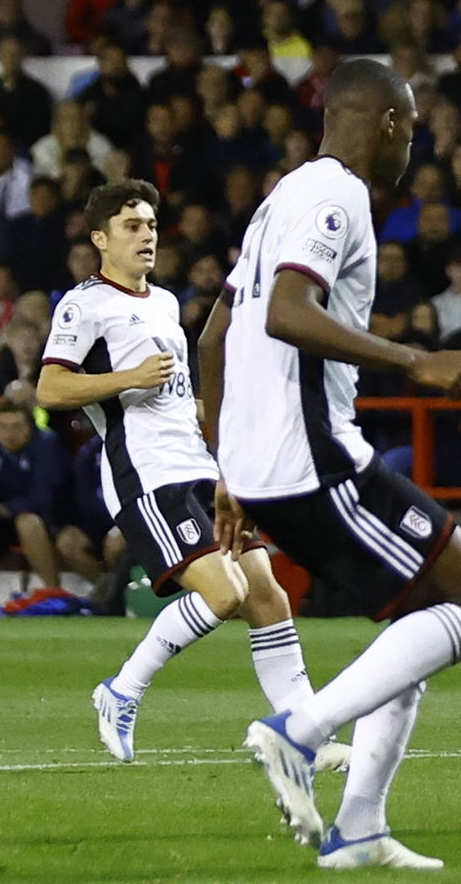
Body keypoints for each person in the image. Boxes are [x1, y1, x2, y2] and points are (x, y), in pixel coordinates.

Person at [199, 59, 461, 870]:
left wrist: (229, 467)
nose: (413, 147)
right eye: (413, 130)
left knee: (419, 617)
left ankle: (361, 827)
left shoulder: (279, 200)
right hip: (314, 459)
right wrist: (413, 359)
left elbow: (216, 336)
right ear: (390, 123)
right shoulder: (335, 196)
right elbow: (287, 312)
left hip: (270, 466)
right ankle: (298, 730)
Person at [36, 180, 340, 766]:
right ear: (100, 239)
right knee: (225, 594)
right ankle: (123, 689)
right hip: (148, 473)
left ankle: (305, 735)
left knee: (268, 596)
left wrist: (223, 416)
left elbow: (172, 395)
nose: (146, 236)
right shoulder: (84, 304)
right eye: (131, 226)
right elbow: (51, 388)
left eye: (151, 225)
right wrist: (128, 378)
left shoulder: (165, 303)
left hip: (199, 466)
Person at [0, 398, 67, 607]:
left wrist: (0, 510)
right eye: (2, 427)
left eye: (16, 427)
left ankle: (54, 594)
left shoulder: (47, 445)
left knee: (27, 522)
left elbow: (43, 498)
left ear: (30, 427)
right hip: (3, 520)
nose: (9, 433)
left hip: (50, 520)